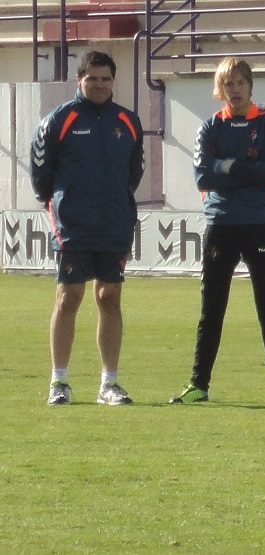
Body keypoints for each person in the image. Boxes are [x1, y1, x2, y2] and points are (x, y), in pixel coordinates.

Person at [168, 57, 265, 404]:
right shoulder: (209, 128)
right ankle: (198, 384)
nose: (235, 90)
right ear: (220, 89)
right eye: (228, 84)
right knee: (211, 309)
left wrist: (226, 167)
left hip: (258, 224)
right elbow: (203, 177)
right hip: (220, 224)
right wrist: (243, 170)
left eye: (240, 83)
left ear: (250, 86)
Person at [31, 51, 145, 406]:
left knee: (109, 298)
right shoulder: (59, 119)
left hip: (114, 224)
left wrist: (117, 205)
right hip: (74, 225)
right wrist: (62, 206)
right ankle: (59, 382)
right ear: (79, 79)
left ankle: (109, 384)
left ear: (113, 81)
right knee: (69, 298)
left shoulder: (127, 121)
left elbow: (134, 172)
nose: (99, 85)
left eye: (105, 79)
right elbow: (41, 175)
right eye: (92, 78)